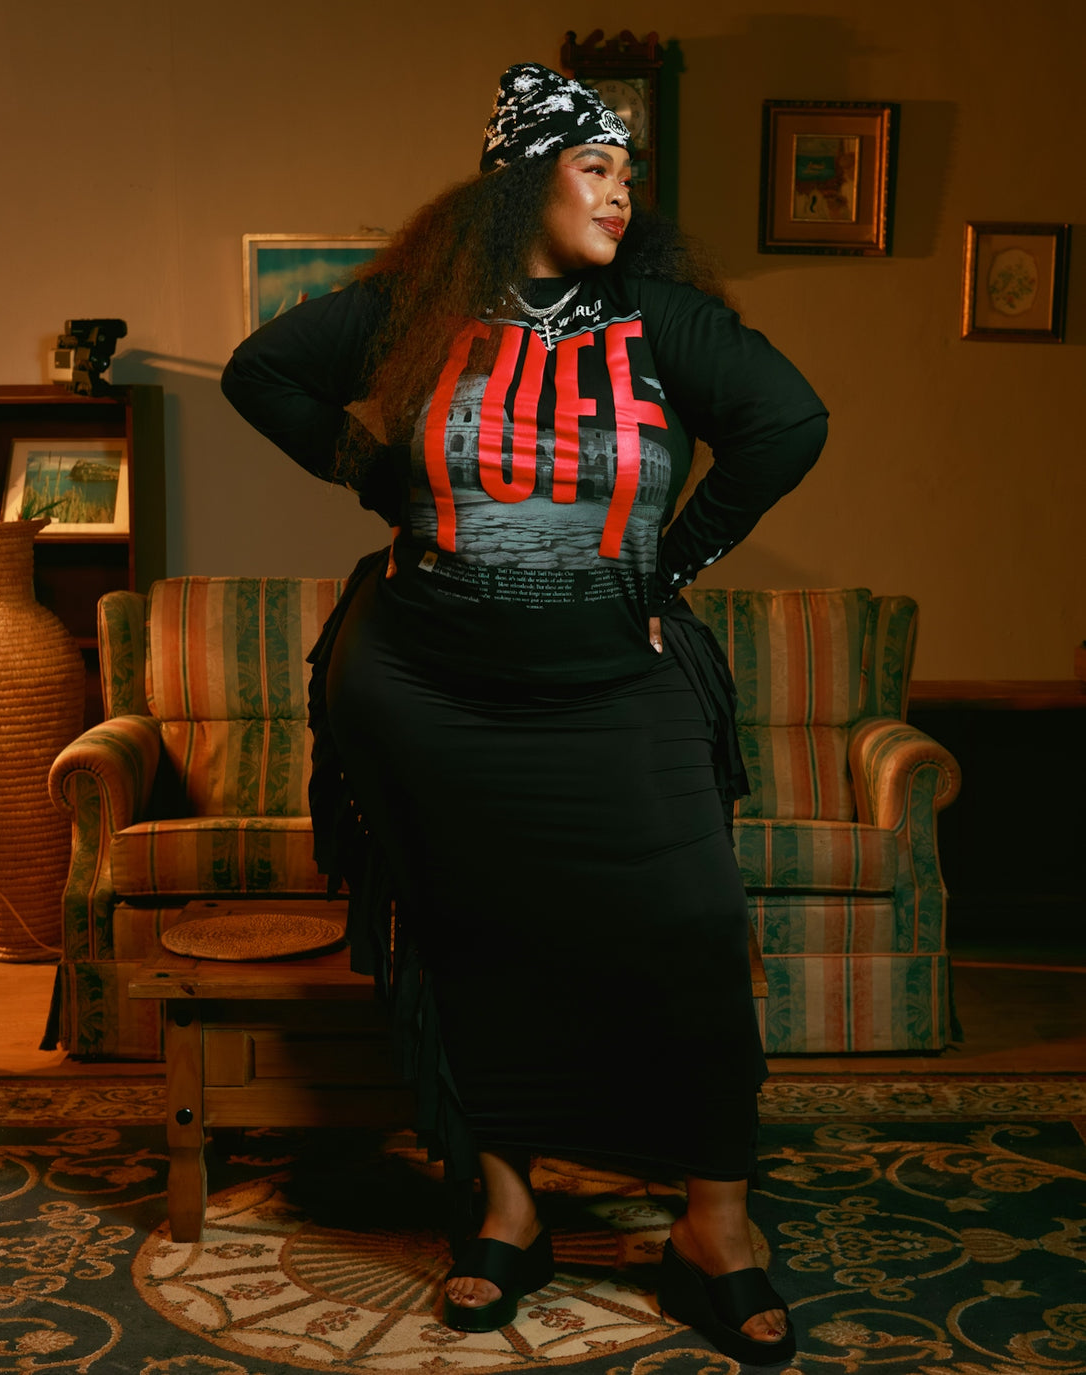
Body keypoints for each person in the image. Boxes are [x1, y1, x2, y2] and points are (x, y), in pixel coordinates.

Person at [222, 61, 827, 1366]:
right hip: (427, 691)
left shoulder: (660, 319)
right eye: (593, 165)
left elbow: (789, 423)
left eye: (626, 173)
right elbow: (263, 371)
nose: (619, 189)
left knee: (694, 934)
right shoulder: (416, 313)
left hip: (612, 689)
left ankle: (714, 1224)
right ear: (519, 183)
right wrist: (378, 476)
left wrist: (668, 564)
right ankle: (504, 1211)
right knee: (475, 944)